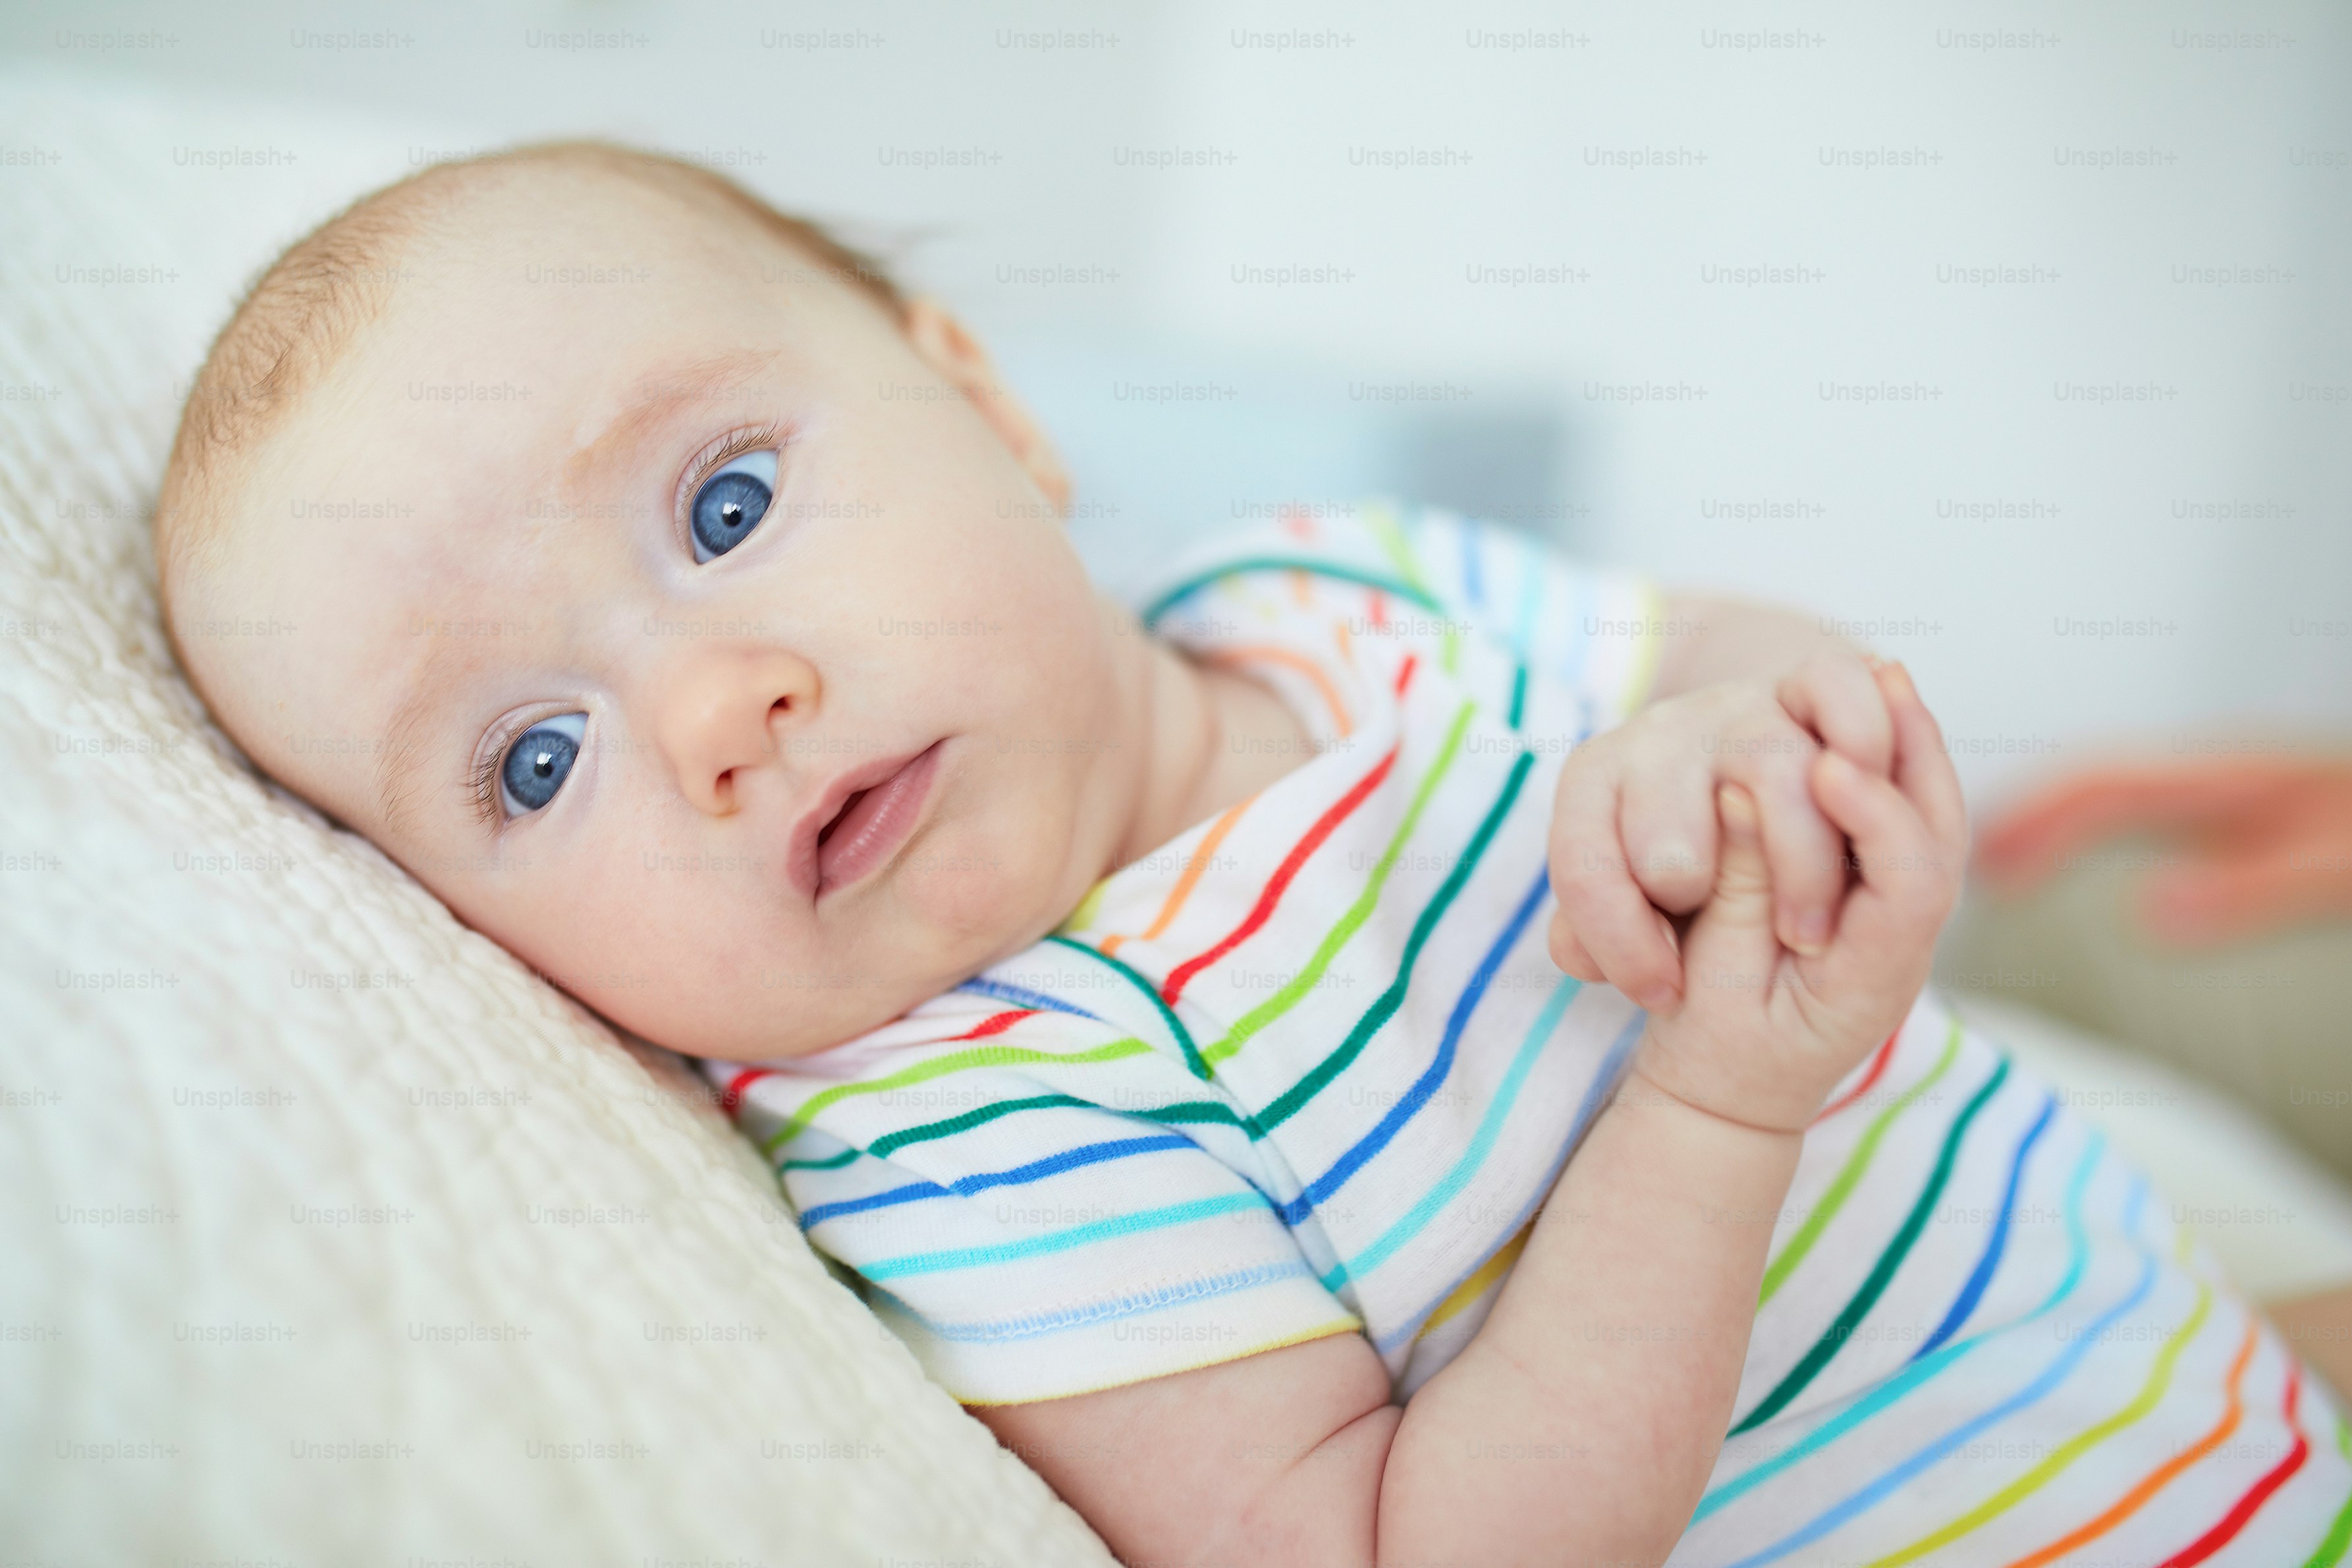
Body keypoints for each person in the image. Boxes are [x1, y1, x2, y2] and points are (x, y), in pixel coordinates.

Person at [151, 142, 2352, 1565]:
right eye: (534, 763)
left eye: (725, 508)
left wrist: (1740, 735)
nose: (715, 716)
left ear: (993, 410)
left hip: (2211, 1395)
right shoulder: (966, 1115)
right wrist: (1708, 1101)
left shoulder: (1334, 595)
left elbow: (1747, 653)